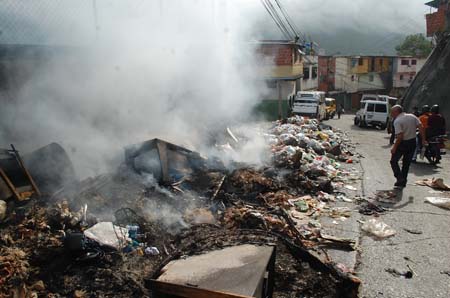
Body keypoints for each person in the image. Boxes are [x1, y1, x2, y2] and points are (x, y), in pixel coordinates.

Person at [390, 105, 426, 188]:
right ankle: (403, 181)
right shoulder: (412, 116)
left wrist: (394, 147)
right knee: (406, 163)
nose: (391, 114)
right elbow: (421, 127)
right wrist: (423, 139)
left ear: (396, 112)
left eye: (392, 112)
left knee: (393, 161)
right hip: (412, 142)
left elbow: (400, 136)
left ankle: (399, 178)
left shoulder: (397, 121)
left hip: (402, 143)